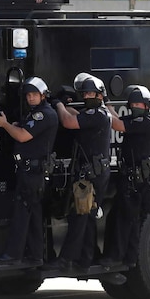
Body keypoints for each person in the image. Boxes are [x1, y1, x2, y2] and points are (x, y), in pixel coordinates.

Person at [46, 73, 111, 271]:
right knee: (88, 216)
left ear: (100, 96)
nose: (87, 96)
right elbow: (77, 116)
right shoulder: (98, 113)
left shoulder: (97, 114)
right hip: (92, 174)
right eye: (86, 93)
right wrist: (66, 106)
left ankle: (65, 260)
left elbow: (67, 121)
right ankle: (86, 259)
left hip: (90, 176)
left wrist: (57, 105)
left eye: (92, 93)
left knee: (79, 217)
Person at [0, 77, 58, 265]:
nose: (30, 98)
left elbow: (22, 136)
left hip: (32, 174)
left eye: (34, 95)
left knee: (22, 215)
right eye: (28, 95)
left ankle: (13, 255)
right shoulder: (36, 113)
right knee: (34, 214)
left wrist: (4, 125)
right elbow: (22, 129)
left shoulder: (43, 114)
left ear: (43, 95)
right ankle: (36, 255)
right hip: (32, 172)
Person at [103, 85, 150, 268]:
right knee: (129, 220)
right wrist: (106, 103)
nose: (136, 106)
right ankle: (129, 259)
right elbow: (119, 119)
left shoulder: (147, 123)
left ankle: (119, 259)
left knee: (126, 221)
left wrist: (100, 110)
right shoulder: (136, 120)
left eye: (139, 103)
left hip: (136, 181)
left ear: (147, 106)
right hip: (131, 178)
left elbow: (118, 124)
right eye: (133, 103)